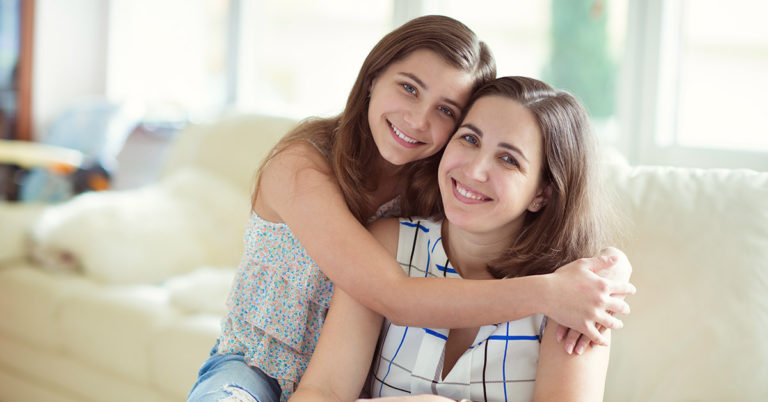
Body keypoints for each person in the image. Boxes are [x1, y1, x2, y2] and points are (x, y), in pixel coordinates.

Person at [188, 16, 634, 402]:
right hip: (258, 366)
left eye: (445, 110)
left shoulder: (427, 181)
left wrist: (610, 267)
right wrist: (550, 292)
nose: (419, 121)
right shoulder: (302, 169)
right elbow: (394, 296)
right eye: (408, 88)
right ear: (372, 79)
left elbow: (565, 211)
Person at [290, 76, 632, 402]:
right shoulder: (389, 246)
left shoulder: (577, 298)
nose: (474, 170)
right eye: (470, 139)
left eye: (508, 159)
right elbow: (321, 392)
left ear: (542, 193)